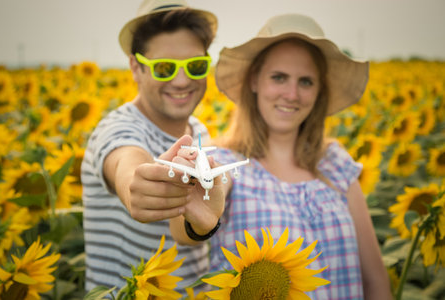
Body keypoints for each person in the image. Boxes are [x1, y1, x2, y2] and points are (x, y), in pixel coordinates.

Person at [174, 13, 392, 299]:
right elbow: (188, 226)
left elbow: (375, 281)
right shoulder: (226, 161)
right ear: (255, 81)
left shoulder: (336, 163)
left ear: (318, 91)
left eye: (306, 82)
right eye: (279, 77)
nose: (292, 94)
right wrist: (199, 218)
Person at [81, 0, 224, 294]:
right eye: (164, 68)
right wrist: (138, 185)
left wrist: (200, 223)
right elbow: (126, 163)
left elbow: (185, 230)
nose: (182, 80)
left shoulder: (199, 131)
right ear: (136, 67)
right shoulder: (117, 127)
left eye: (195, 66)